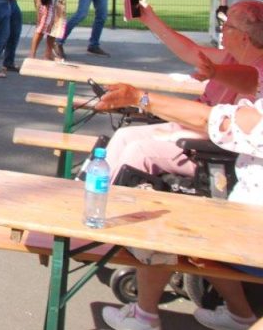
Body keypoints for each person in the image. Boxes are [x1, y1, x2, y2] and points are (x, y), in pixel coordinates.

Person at [97, 80, 263, 330]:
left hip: (250, 236)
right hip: (244, 224)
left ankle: (144, 317)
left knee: (164, 227)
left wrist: (138, 96)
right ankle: (240, 316)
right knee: (197, 235)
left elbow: (210, 119)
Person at [104, 0, 263, 181]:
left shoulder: (255, 75)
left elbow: (221, 122)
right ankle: (91, 193)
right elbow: (189, 50)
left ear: (244, 37)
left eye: (227, 26)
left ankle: (108, 199)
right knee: (124, 136)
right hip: (195, 131)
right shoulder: (231, 57)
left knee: (139, 150)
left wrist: (141, 100)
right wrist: (149, 19)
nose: (222, 29)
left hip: (212, 149)